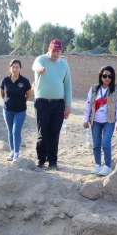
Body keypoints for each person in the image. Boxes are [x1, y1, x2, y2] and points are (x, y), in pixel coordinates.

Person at [31, 39, 72, 169]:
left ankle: (53, 161)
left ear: (61, 51)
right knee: (42, 133)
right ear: (49, 50)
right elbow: (34, 66)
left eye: (58, 51)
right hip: (42, 102)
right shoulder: (41, 59)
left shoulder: (64, 65)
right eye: (53, 50)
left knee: (54, 133)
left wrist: (68, 105)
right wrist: (40, 69)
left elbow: (68, 86)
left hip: (58, 104)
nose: (55, 53)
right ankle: (41, 159)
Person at [83, 65, 117, 176]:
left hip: (109, 121)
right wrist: (86, 120)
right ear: (101, 76)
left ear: (112, 77)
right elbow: (89, 105)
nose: (107, 78)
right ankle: (97, 165)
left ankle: (107, 166)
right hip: (95, 121)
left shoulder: (116, 90)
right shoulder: (94, 89)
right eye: (104, 75)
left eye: (110, 76)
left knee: (105, 143)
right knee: (96, 144)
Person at [0, 59, 32, 162]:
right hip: (7, 110)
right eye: (13, 67)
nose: (15, 69)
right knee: (10, 130)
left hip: (20, 110)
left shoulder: (24, 81)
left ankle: (17, 153)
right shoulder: (5, 80)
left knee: (16, 131)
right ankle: (12, 151)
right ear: (10, 68)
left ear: (20, 68)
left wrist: (21, 102)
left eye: (17, 67)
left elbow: (29, 95)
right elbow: (2, 93)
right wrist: (7, 102)